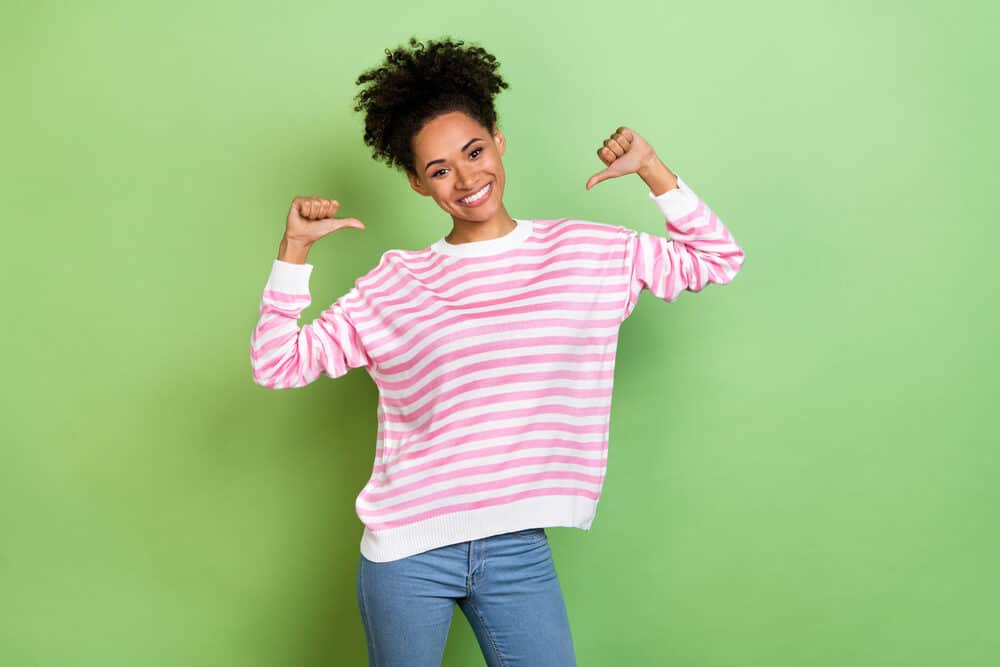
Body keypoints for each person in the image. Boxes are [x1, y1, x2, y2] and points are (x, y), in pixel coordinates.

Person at [249, 36, 745, 667]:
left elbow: (717, 259)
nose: (465, 178)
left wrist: (653, 170)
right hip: (407, 553)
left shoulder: (586, 253)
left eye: (474, 151)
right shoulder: (395, 285)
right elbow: (277, 363)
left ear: (498, 140)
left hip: (517, 546)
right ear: (417, 182)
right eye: (439, 169)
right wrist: (294, 251)